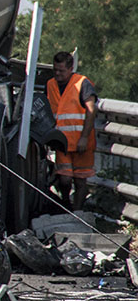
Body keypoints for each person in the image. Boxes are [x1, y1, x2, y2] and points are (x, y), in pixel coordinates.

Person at [46, 51, 98, 210]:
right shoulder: (50, 85)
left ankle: (77, 211)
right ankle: (66, 205)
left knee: (80, 180)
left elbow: (91, 111)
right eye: (55, 70)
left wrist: (83, 137)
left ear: (71, 68)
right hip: (62, 142)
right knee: (64, 179)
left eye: (61, 70)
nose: (57, 74)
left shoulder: (82, 83)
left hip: (82, 141)